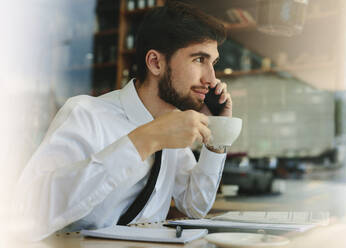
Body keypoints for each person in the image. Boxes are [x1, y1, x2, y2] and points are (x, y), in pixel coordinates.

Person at [14, 0, 232, 241]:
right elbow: (25, 212)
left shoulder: (174, 126)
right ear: (155, 63)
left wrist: (217, 135)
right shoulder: (85, 114)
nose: (212, 78)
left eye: (213, 63)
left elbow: (195, 205)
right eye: (199, 60)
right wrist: (144, 140)